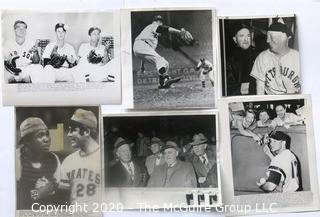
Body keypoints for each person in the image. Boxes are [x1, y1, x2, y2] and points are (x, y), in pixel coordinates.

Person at [133, 15, 193, 89]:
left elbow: (145, 52)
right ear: (157, 21)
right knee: (160, 60)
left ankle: (162, 84)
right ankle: (166, 78)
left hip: (140, 48)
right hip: (141, 44)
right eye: (159, 21)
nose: (160, 23)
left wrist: (142, 66)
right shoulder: (153, 25)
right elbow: (165, 29)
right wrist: (180, 32)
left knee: (165, 63)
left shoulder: (152, 37)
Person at [59, 109, 101, 207]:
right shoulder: (68, 161)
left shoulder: (103, 157)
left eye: (72, 130)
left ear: (86, 132)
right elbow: (62, 200)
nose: (68, 134)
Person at [16, 117, 60, 209]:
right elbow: (12, 197)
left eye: (47, 134)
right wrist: (38, 193)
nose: (46, 139)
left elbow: (61, 196)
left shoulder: (53, 159)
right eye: (40, 135)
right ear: (27, 141)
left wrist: (52, 189)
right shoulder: (16, 158)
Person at [250, 20, 300, 95]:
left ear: (284, 38)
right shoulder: (262, 58)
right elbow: (260, 89)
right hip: (271, 102)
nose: (267, 40)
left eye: (271, 37)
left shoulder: (298, 58)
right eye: (267, 37)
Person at [226, 23, 258, 95]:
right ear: (235, 39)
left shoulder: (257, 57)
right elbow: (229, 85)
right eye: (241, 36)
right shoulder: (230, 61)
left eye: (248, 35)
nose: (246, 39)